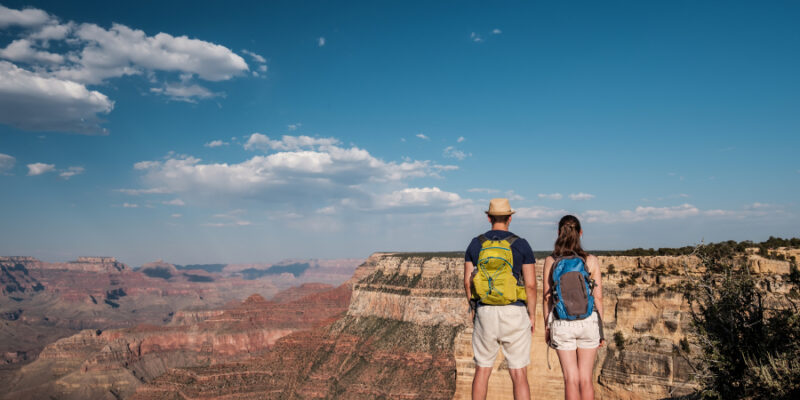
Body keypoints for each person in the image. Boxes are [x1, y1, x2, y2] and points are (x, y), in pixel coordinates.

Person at [464, 198, 537, 400]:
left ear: (488, 217)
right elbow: (530, 285)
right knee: (519, 373)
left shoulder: (475, 244)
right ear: (510, 218)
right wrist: (532, 315)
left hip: (485, 310)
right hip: (514, 311)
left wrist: (473, 308)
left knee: (482, 370)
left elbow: (467, 282)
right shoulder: (521, 244)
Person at [543, 215, 605, 400]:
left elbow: (546, 297)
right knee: (586, 380)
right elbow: (598, 298)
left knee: (570, 379)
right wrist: (600, 330)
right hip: (588, 322)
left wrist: (548, 326)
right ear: (580, 233)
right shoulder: (590, 260)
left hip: (562, 323)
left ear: (558, 233)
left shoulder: (551, 260)